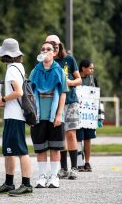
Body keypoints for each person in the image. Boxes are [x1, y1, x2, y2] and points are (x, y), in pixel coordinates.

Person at [0, 38, 32, 196]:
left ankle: (26, 184)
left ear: (6, 54)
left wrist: (3, 99)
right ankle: (8, 183)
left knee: (21, 150)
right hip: (12, 115)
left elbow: (18, 92)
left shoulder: (12, 69)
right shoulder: (18, 66)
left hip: (15, 116)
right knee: (9, 151)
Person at [29, 41, 67, 188]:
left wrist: (58, 115)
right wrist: (32, 114)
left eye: (48, 49)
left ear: (54, 53)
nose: (45, 51)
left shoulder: (59, 71)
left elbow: (63, 94)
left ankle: (53, 177)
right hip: (39, 116)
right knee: (40, 149)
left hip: (55, 117)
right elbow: (29, 94)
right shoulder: (34, 71)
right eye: (43, 49)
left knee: (55, 148)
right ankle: (42, 176)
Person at [45, 35, 81, 180]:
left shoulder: (69, 60)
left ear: (60, 45)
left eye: (56, 44)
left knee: (71, 134)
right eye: (50, 44)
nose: (54, 47)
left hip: (70, 101)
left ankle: (74, 168)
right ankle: (63, 168)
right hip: (54, 102)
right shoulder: (47, 62)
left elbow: (79, 80)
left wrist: (68, 82)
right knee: (59, 136)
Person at [76, 59, 98, 172]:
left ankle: (87, 162)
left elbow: (97, 98)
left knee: (88, 139)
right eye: (90, 68)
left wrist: (99, 115)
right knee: (78, 139)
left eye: (93, 68)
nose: (92, 70)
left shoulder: (93, 80)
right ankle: (79, 162)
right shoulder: (75, 79)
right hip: (77, 114)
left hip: (89, 115)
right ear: (83, 68)